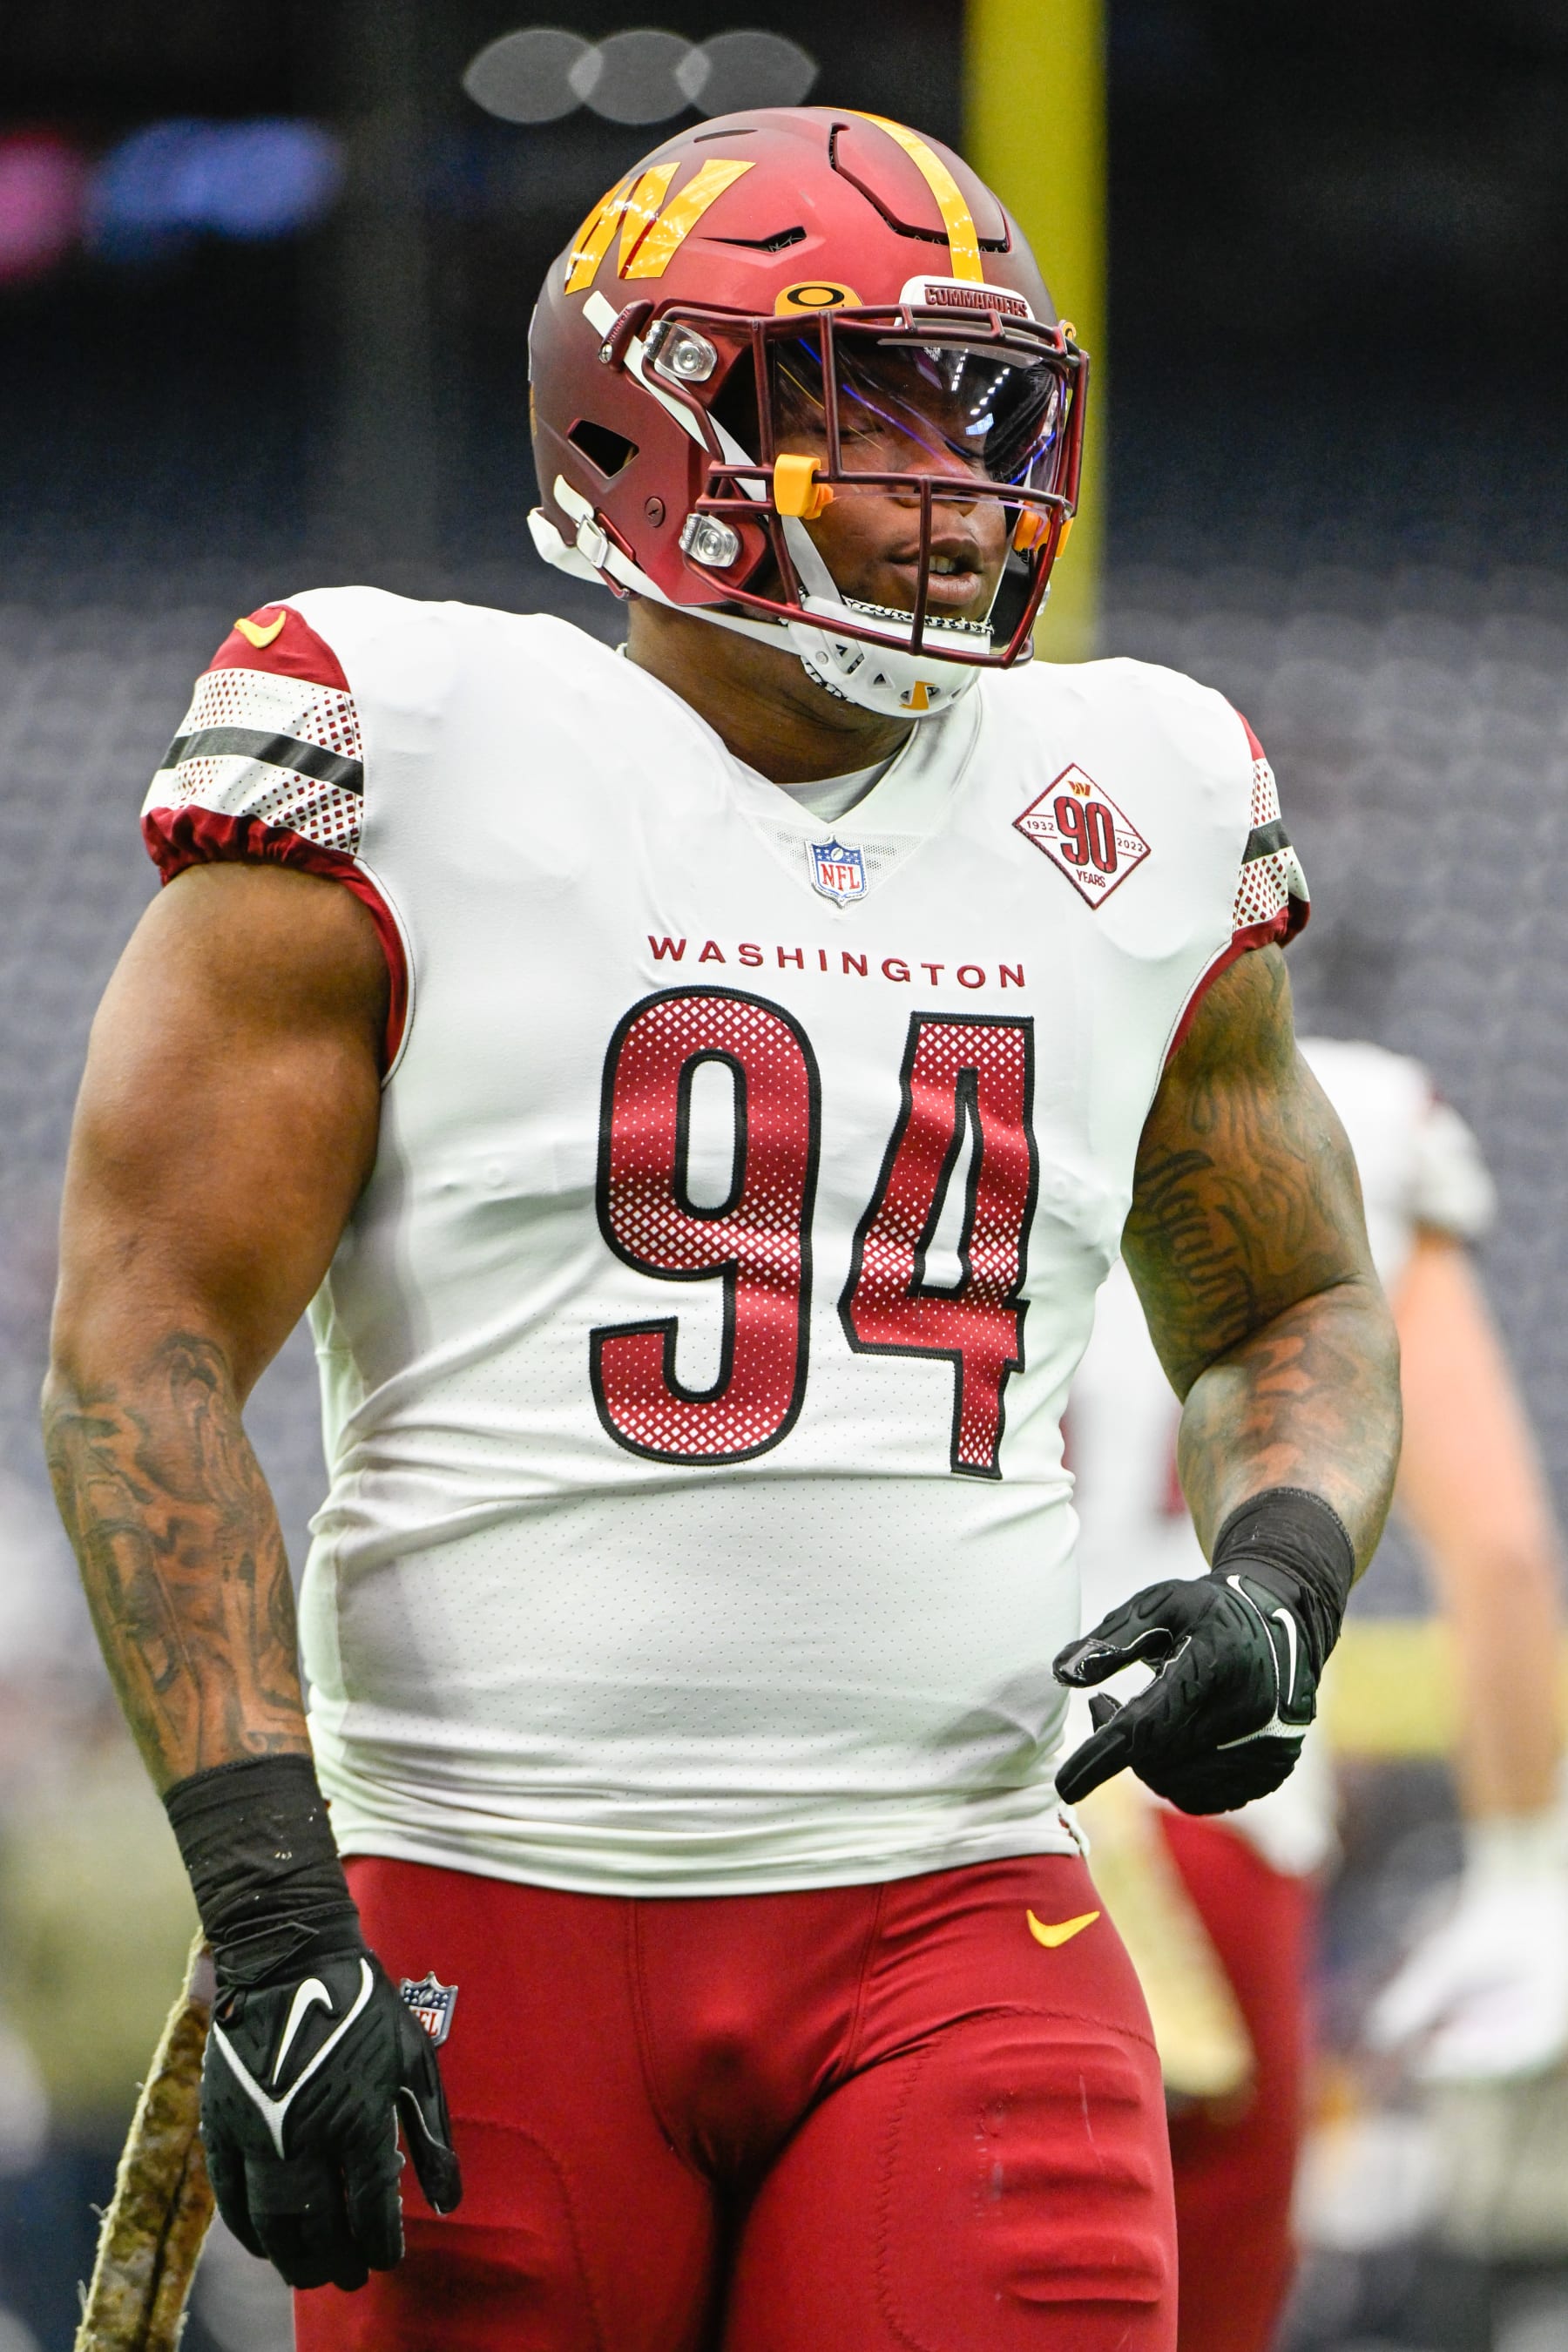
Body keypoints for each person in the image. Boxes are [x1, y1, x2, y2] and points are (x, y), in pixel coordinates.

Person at [42, 105, 1400, 2352]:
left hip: (959, 1915)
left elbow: (1296, 1300)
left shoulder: (1133, 789)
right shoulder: (415, 741)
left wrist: (1284, 1570)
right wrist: (279, 1918)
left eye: (982, 411)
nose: (955, 481)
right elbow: (144, 1349)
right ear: (645, 425)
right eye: (866, 408)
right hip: (490, 1902)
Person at [1068, 1036, 1568, 2352]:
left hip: (920, 1825)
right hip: (1209, 1821)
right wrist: (1527, 1870)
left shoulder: (909, 1040)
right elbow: (1503, 1552)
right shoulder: (1345, 1111)